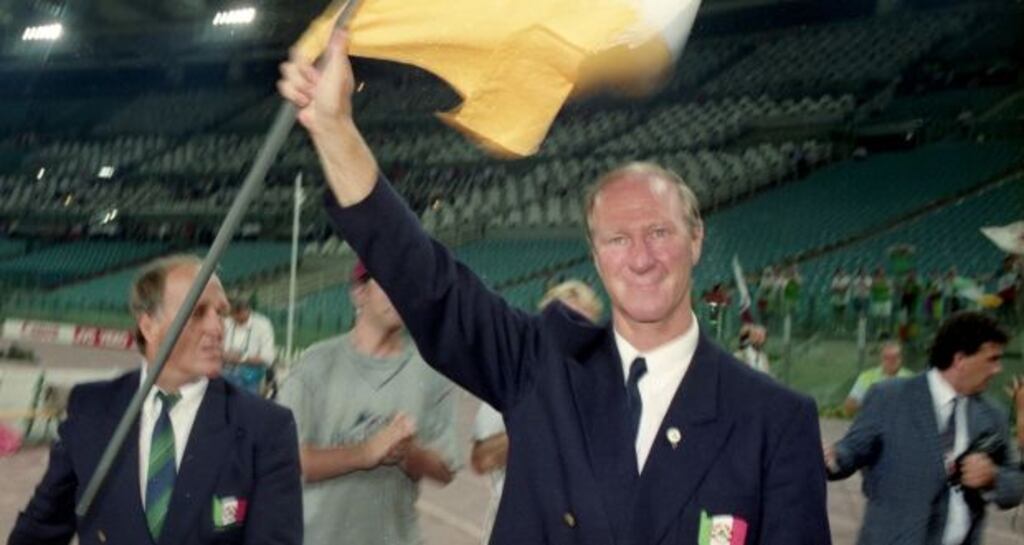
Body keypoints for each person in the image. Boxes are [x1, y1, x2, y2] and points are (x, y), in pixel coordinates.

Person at [279, 33, 830, 544]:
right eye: (617, 238)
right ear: (595, 255)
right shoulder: (541, 366)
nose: (640, 258)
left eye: (659, 232)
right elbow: (424, 278)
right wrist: (334, 127)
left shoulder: (774, 420)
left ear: (695, 240)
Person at [9, 254, 302, 545]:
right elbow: (41, 527)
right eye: (197, 312)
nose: (217, 328)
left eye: (220, 313)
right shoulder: (91, 409)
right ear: (148, 326)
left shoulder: (266, 427)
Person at [277, 261, 459, 545]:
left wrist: (408, 453)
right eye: (389, 281)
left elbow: (446, 468)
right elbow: (286, 460)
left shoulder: (432, 374)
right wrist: (365, 453)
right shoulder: (315, 364)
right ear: (359, 293)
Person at [825, 311, 1022, 545]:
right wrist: (832, 457)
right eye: (992, 359)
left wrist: (993, 477)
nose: (998, 369)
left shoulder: (992, 413)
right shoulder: (889, 397)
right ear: (960, 360)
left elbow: (1016, 485)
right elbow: (852, 451)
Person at [472, 280, 603, 545]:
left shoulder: (603, 389)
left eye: (583, 326)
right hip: (519, 527)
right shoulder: (515, 378)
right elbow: (481, 460)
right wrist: (536, 426)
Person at [843, 340, 913, 417]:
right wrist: (871, 404)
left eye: (895, 357)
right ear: (880, 358)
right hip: (872, 423)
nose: (891, 361)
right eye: (887, 358)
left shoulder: (912, 378)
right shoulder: (867, 376)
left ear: (901, 358)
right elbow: (849, 406)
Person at [223, 295, 276, 395]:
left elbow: (268, 358)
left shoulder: (262, 325)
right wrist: (224, 355)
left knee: (246, 406)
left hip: (249, 378)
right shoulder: (227, 323)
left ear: (246, 310)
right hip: (225, 374)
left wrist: (242, 358)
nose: (233, 317)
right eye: (231, 314)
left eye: (236, 313)